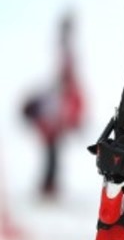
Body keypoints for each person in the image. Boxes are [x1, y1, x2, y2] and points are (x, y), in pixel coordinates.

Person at [20, 11, 85, 200]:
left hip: (56, 113)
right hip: (55, 114)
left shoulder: (61, 98)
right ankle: (48, 186)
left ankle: (49, 186)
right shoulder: (58, 103)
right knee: (52, 154)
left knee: (52, 154)